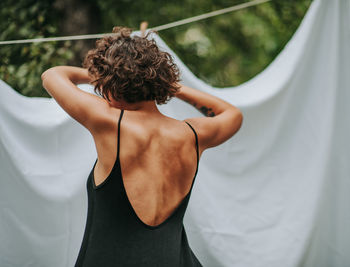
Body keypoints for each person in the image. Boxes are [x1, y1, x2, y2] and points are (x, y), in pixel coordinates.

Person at [41, 27, 243, 267]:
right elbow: (232, 114)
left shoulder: (108, 121)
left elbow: (52, 75)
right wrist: (170, 86)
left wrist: (102, 75)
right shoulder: (192, 134)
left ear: (109, 84)